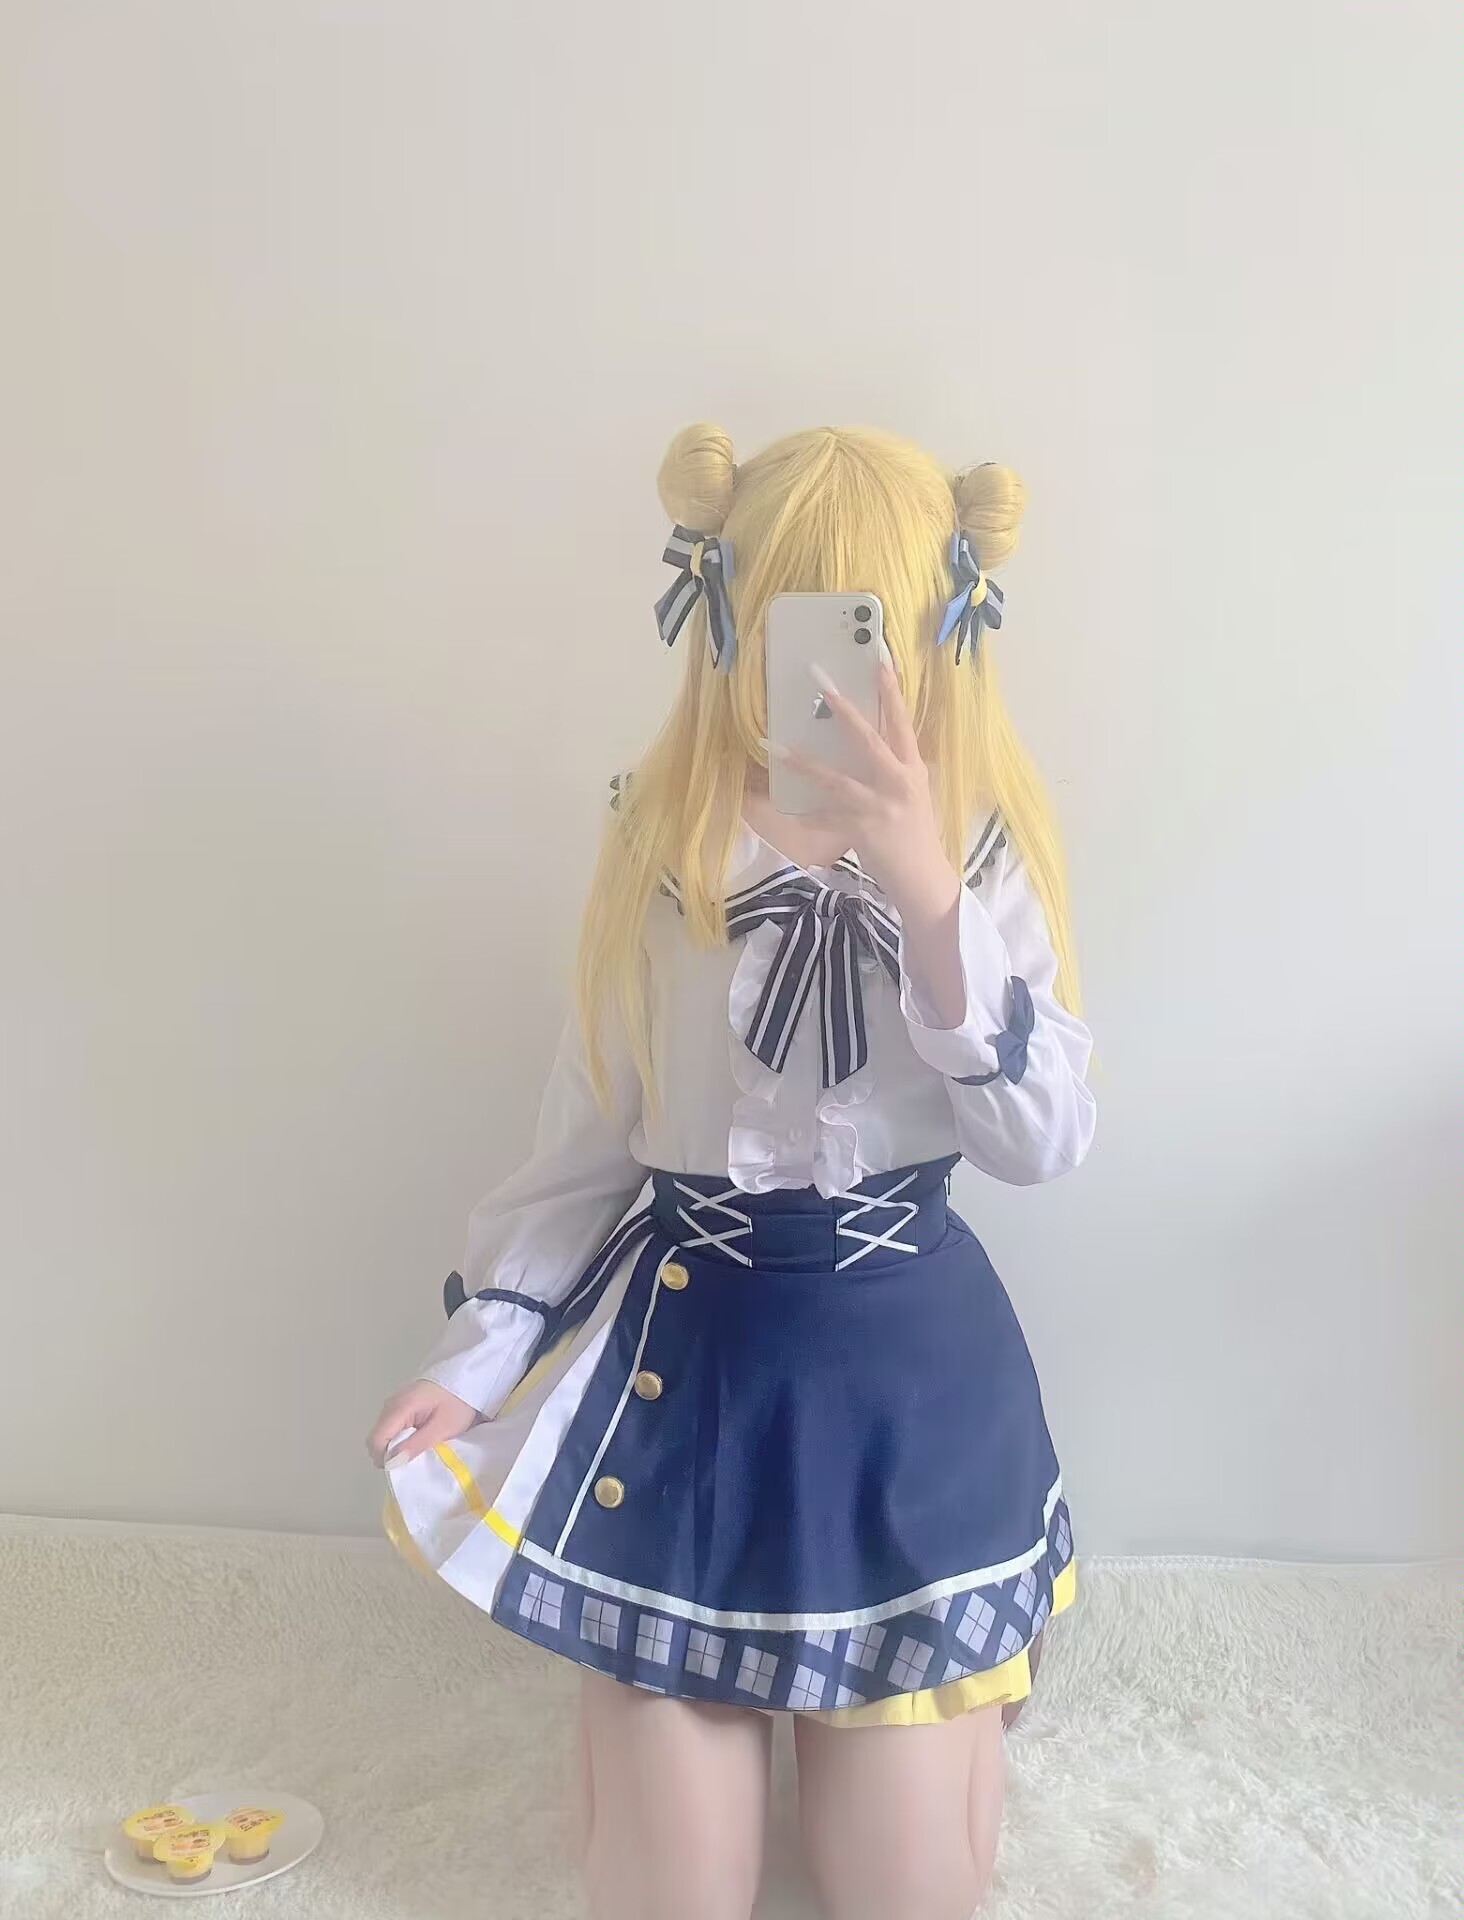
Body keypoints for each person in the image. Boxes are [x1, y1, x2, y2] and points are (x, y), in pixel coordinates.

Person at [368, 423, 1096, 1920]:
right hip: (692, 1378)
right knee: (670, 1898)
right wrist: (482, 1353)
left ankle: (943, 1700)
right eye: (798, 622)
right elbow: (587, 1140)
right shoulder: (662, 839)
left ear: (941, 625)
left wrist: (927, 896)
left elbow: (1045, 1142)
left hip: (908, 1391)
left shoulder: (984, 849)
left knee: (907, 1897)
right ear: (728, 614)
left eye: (871, 625)